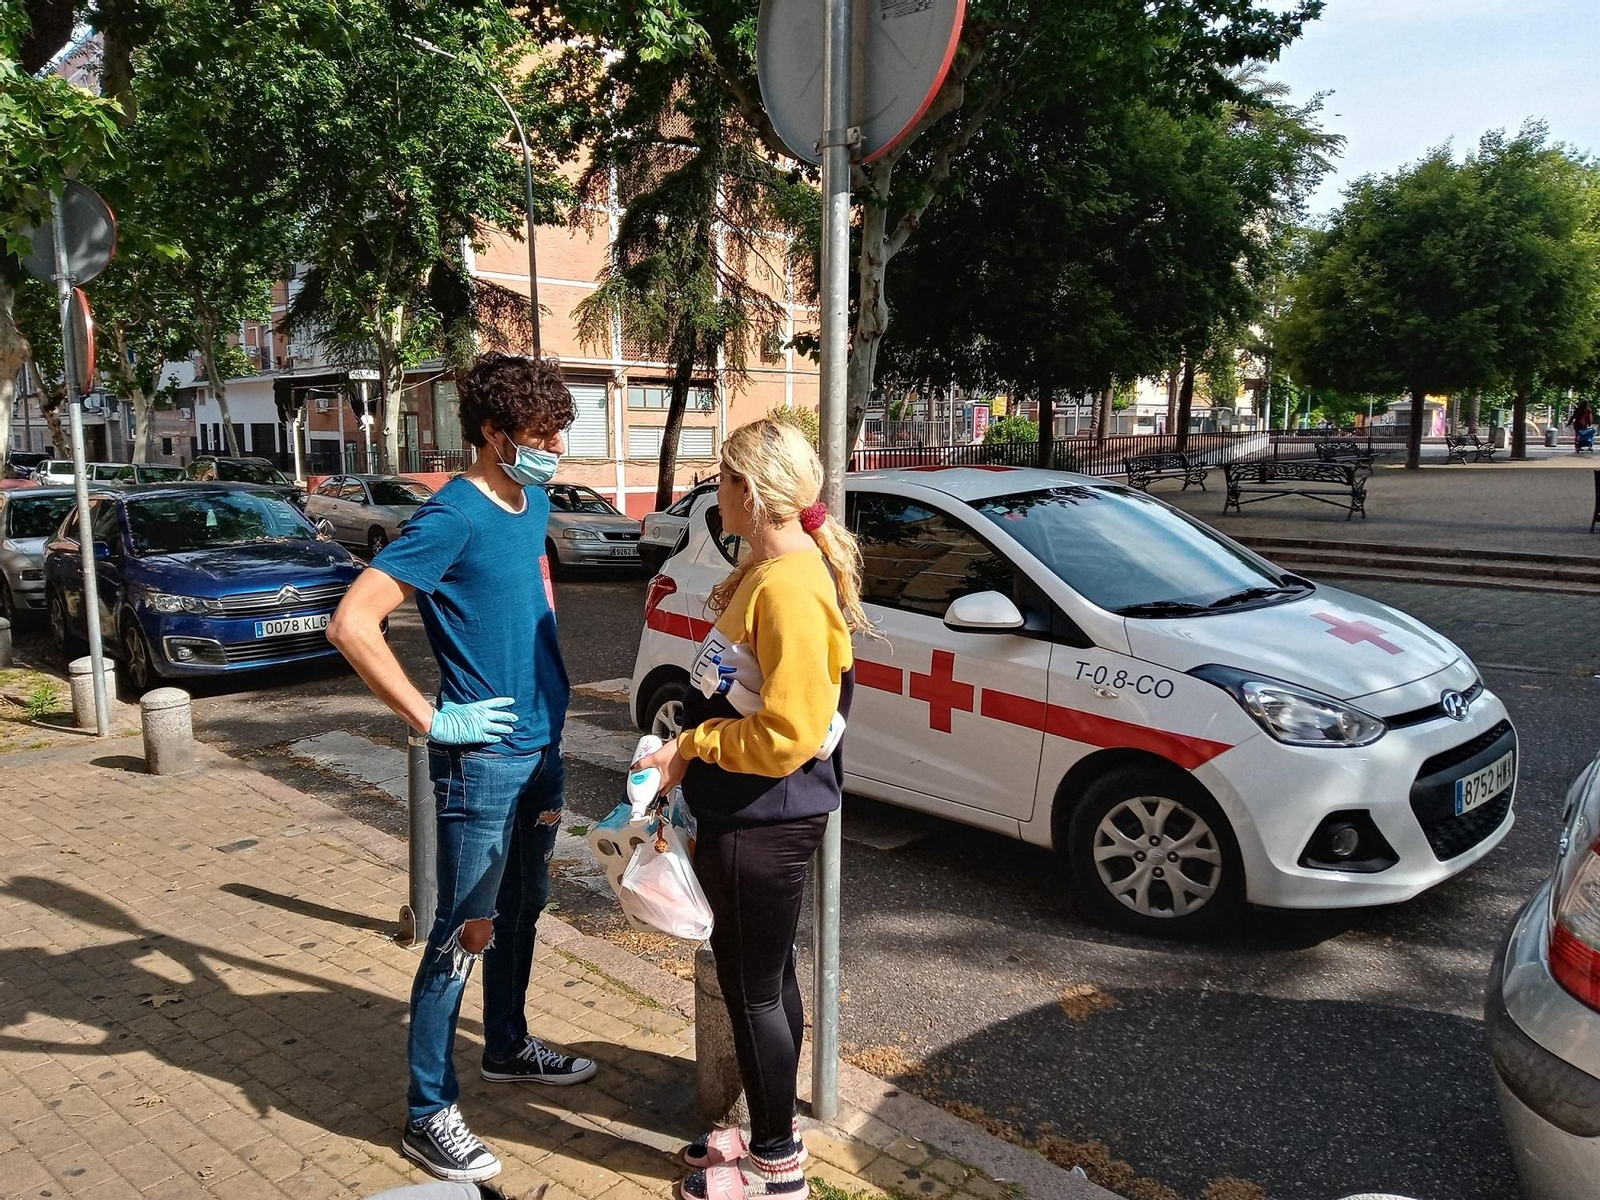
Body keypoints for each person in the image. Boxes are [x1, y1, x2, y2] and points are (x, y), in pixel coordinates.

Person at [329, 352, 595, 1185]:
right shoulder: (453, 516)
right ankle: (426, 1112)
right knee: (462, 934)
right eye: (540, 434)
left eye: (559, 432)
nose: (554, 447)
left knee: (525, 909)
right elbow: (353, 623)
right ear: (492, 433)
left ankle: (507, 1046)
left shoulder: (532, 498)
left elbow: (531, 616)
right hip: (481, 765)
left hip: (540, 751)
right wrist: (433, 717)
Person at [636, 419, 872, 1200]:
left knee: (754, 990)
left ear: (754, 490)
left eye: (725, 476)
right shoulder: (774, 573)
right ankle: (774, 1132)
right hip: (752, 813)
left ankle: (777, 1167)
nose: (716, 489)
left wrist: (693, 745)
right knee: (764, 984)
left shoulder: (792, 585)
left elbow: (793, 734)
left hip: (763, 817)